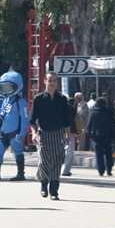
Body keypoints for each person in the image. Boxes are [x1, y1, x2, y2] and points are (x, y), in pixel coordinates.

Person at [30, 72, 72, 200]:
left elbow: (66, 120)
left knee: (57, 162)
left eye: (54, 80)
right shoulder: (38, 99)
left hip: (58, 134)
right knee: (44, 161)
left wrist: (67, 134)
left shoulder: (62, 99)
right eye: (50, 80)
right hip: (44, 134)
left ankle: (54, 191)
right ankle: (44, 184)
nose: (52, 83)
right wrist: (34, 133)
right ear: (45, 81)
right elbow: (32, 120)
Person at [0, 70, 29, 181]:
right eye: (4, 87)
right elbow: (2, 116)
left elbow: (25, 119)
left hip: (15, 133)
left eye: (8, 87)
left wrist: (22, 134)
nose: (6, 90)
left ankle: (21, 174)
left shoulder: (21, 102)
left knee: (18, 152)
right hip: (3, 133)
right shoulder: (5, 100)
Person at [86, 96, 115, 177]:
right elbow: (113, 124)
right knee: (108, 153)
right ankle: (109, 169)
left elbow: (89, 124)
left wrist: (89, 134)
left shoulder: (93, 112)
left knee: (99, 154)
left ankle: (101, 170)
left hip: (96, 136)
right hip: (107, 135)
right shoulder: (109, 112)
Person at [62, 92, 80, 177]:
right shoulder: (70, 108)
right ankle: (65, 170)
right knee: (69, 152)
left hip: (58, 132)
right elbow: (73, 117)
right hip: (70, 132)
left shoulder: (57, 107)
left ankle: (57, 169)